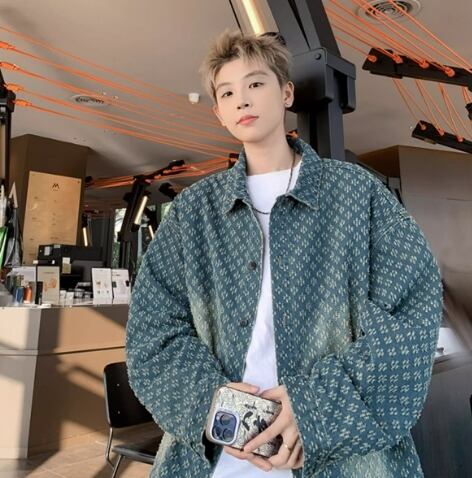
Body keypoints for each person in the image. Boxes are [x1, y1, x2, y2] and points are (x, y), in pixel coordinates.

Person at [125, 29, 443, 478]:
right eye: (227, 92)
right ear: (218, 112)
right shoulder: (193, 212)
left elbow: (413, 311)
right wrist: (213, 405)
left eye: (255, 83)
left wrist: (314, 406)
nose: (242, 100)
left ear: (286, 93)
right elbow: (152, 332)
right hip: (218, 458)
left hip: (343, 457)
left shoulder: (355, 193)